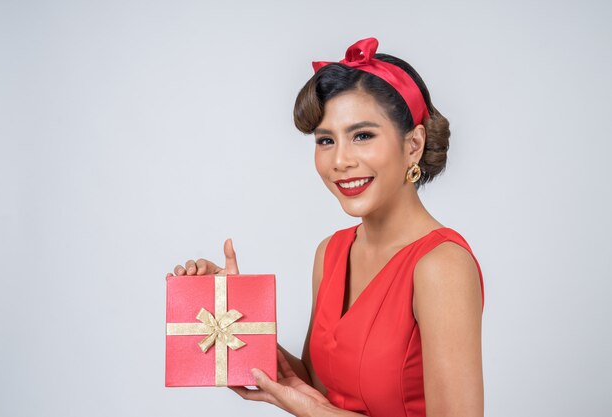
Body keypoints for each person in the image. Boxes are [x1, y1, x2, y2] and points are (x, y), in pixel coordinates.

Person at [168, 37, 485, 417]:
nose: (340, 160)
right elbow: (318, 390)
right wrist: (232, 313)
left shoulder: (441, 266)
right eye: (325, 140)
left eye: (362, 135)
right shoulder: (331, 253)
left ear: (414, 144)